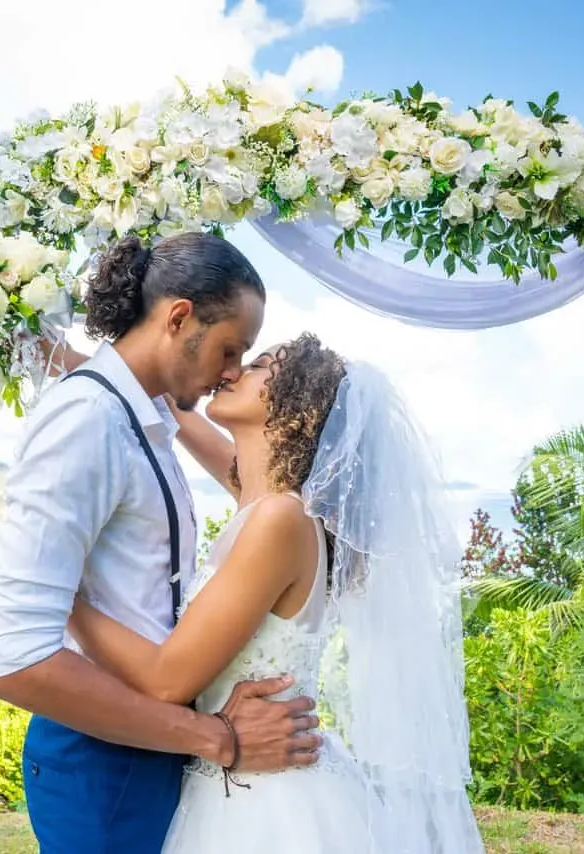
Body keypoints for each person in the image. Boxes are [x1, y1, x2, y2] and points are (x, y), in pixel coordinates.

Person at [68, 334, 485, 852]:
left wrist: (62, 596)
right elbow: (178, 417)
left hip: (264, 805)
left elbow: (165, 679)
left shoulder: (279, 520)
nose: (234, 369)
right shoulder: (267, 504)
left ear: (298, 413)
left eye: (261, 365)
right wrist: (79, 362)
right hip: (242, 781)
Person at [0, 233, 322, 854]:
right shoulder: (89, 420)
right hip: (106, 758)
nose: (232, 371)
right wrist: (216, 738)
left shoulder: (144, 420)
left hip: (160, 749)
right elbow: (14, 659)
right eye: (229, 349)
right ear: (179, 317)